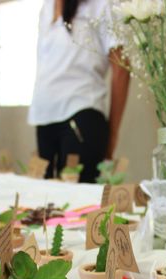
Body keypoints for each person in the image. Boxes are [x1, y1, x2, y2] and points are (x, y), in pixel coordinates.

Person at [28, 0, 130, 183]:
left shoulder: (101, 5)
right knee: (44, 203)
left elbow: (122, 69)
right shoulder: (46, 7)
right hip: (44, 117)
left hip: (81, 113)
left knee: (77, 203)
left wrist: (113, 132)